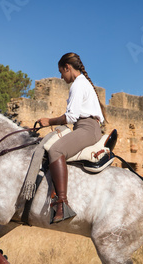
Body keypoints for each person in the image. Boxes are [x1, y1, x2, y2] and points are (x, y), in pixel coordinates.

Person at [37, 52, 107, 224]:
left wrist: (48, 121)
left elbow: (70, 117)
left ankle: (62, 204)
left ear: (67, 67)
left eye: (61, 72)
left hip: (86, 128)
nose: (61, 77)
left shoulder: (77, 85)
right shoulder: (84, 83)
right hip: (87, 127)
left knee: (56, 150)